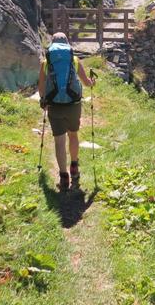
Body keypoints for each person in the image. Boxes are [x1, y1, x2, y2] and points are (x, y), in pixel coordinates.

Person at [38, 32, 95, 191]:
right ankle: (74, 166)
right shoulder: (74, 59)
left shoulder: (46, 61)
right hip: (73, 104)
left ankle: (63, 176)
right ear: (66, 44)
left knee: (59, 141)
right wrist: (92, 82)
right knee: (73, 134)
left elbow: (41, 86)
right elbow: (86, 82)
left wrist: (44, 100)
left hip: (54, 104)